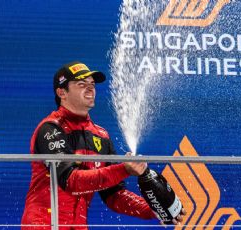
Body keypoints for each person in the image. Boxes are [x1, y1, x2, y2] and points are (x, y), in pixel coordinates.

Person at [21, 61, 184, 229]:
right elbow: (71, 181)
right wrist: (124, 169)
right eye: (81, 84)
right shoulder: (50, 128)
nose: (90, 88)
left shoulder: (101, 135)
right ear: (62, 92)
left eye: (92, 84)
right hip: (43, 225)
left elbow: (114, 196)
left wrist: (154, 210)